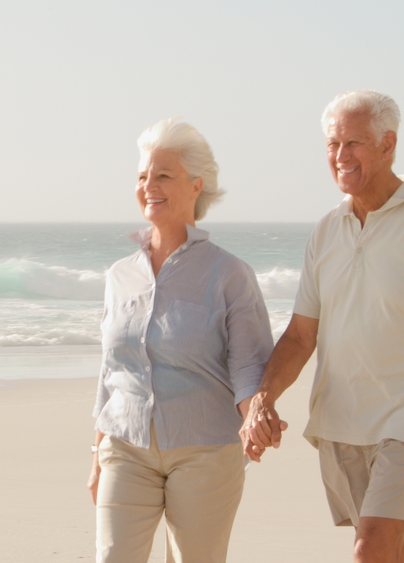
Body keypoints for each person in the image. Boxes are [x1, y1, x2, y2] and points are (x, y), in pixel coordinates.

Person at [239, 90, 404, 563]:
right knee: (385, 547)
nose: (340, 156)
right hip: (340, 416)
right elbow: (303, 334)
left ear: (388, 145)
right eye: (332, 144)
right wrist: (262, 400)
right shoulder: (325, 230)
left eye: (354, 143)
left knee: (369, 547)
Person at [88, 117, 273, 563]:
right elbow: (112, 370)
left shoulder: (229, 274)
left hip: (205, 451)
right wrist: (97, 451)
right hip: (125, 446)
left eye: (163, 175)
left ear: (196, 186)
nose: (149, 185)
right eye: (142, 176)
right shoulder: (119, 275)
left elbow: (249, 365)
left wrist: (255, 417)